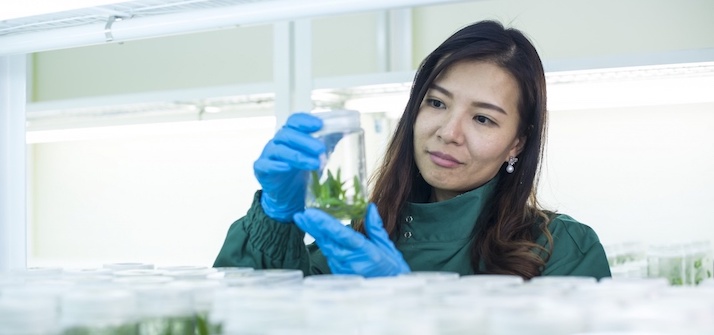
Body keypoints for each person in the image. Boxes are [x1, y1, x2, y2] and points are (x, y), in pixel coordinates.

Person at [213, 20, 611, 280]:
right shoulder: (351, 246)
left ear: (517, 143)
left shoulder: (562, 253)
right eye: (436, 103)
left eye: (483, 119)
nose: (449, 132)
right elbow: (248, 318)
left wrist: (402, 304)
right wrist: (274, 219)